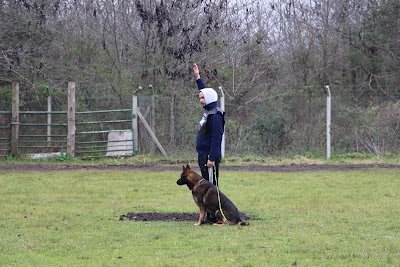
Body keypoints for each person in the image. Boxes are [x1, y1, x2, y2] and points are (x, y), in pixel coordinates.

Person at [192, 63, 224, 187]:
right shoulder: (209, 109)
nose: (201, 100)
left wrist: (211, 158)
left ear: (209, 99)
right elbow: (205, 92)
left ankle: (215, 206)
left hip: (209, 156)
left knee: (211, 186)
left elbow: (217, 138)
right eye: (200, 98)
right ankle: (207, 206)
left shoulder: (215, 116)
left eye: (203, 99)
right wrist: (198, 77)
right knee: (205, 184)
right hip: (202, 153)